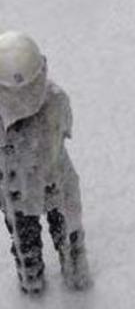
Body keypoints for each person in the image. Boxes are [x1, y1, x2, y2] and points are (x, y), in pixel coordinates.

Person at [0, 31, 91, 295]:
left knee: (39, 240)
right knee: (59, 234)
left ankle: (40, 284)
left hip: (35, 190)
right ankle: (67, 278)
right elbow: (66, 128)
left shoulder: (54, 100)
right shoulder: (56, 99)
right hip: (41, 186)